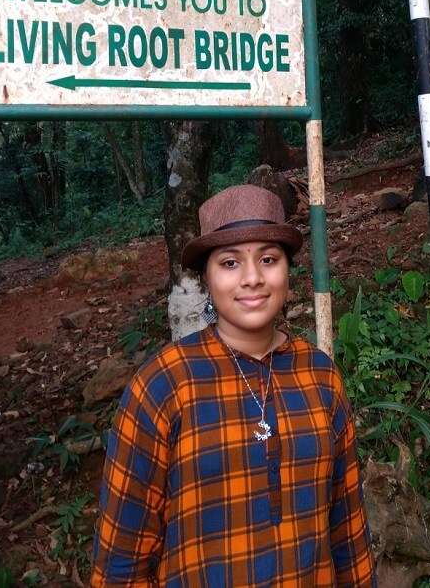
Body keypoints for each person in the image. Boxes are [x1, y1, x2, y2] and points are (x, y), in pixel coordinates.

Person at [90, 184, 376, 587]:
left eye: (269, 259)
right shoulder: (164, 383)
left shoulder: (320, 375)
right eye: (230, 263)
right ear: (207, 279)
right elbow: (121, 559)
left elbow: (348, 531)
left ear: (287, 272)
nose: (253, 278)